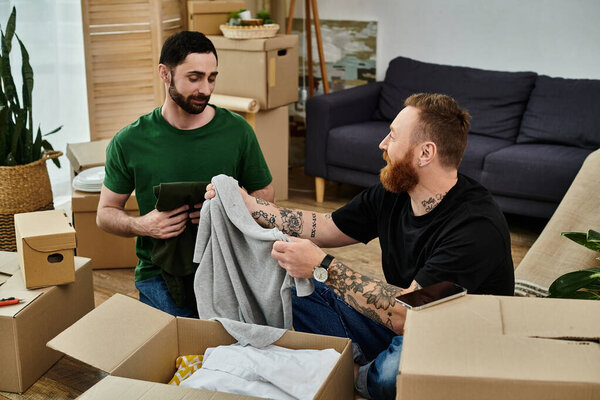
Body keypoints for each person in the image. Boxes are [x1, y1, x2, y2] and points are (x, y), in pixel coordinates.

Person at [205, 93, 515, 399]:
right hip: (397, 321)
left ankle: (353, 374)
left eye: (392, 136)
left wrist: (323, 266)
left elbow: (411, 314)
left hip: (453, 339)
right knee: (282, 282)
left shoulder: (475, 228)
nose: (382, 144)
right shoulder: (396, 190)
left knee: (396, 371)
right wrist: (249, 205)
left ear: (425, 153)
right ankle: (353, 360)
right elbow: (327, 227)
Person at [97, 31, 274, 318]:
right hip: (158, 274)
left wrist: (223, 210)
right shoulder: (129, 141)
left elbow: (265, 195)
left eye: (212, 77)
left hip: (228, 265)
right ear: (164, 74)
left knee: (236, 355)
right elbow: (105, 213)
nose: (206, 88)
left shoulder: (237, 131)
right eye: (194, 78)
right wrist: (144, 225)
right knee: (176, 359)